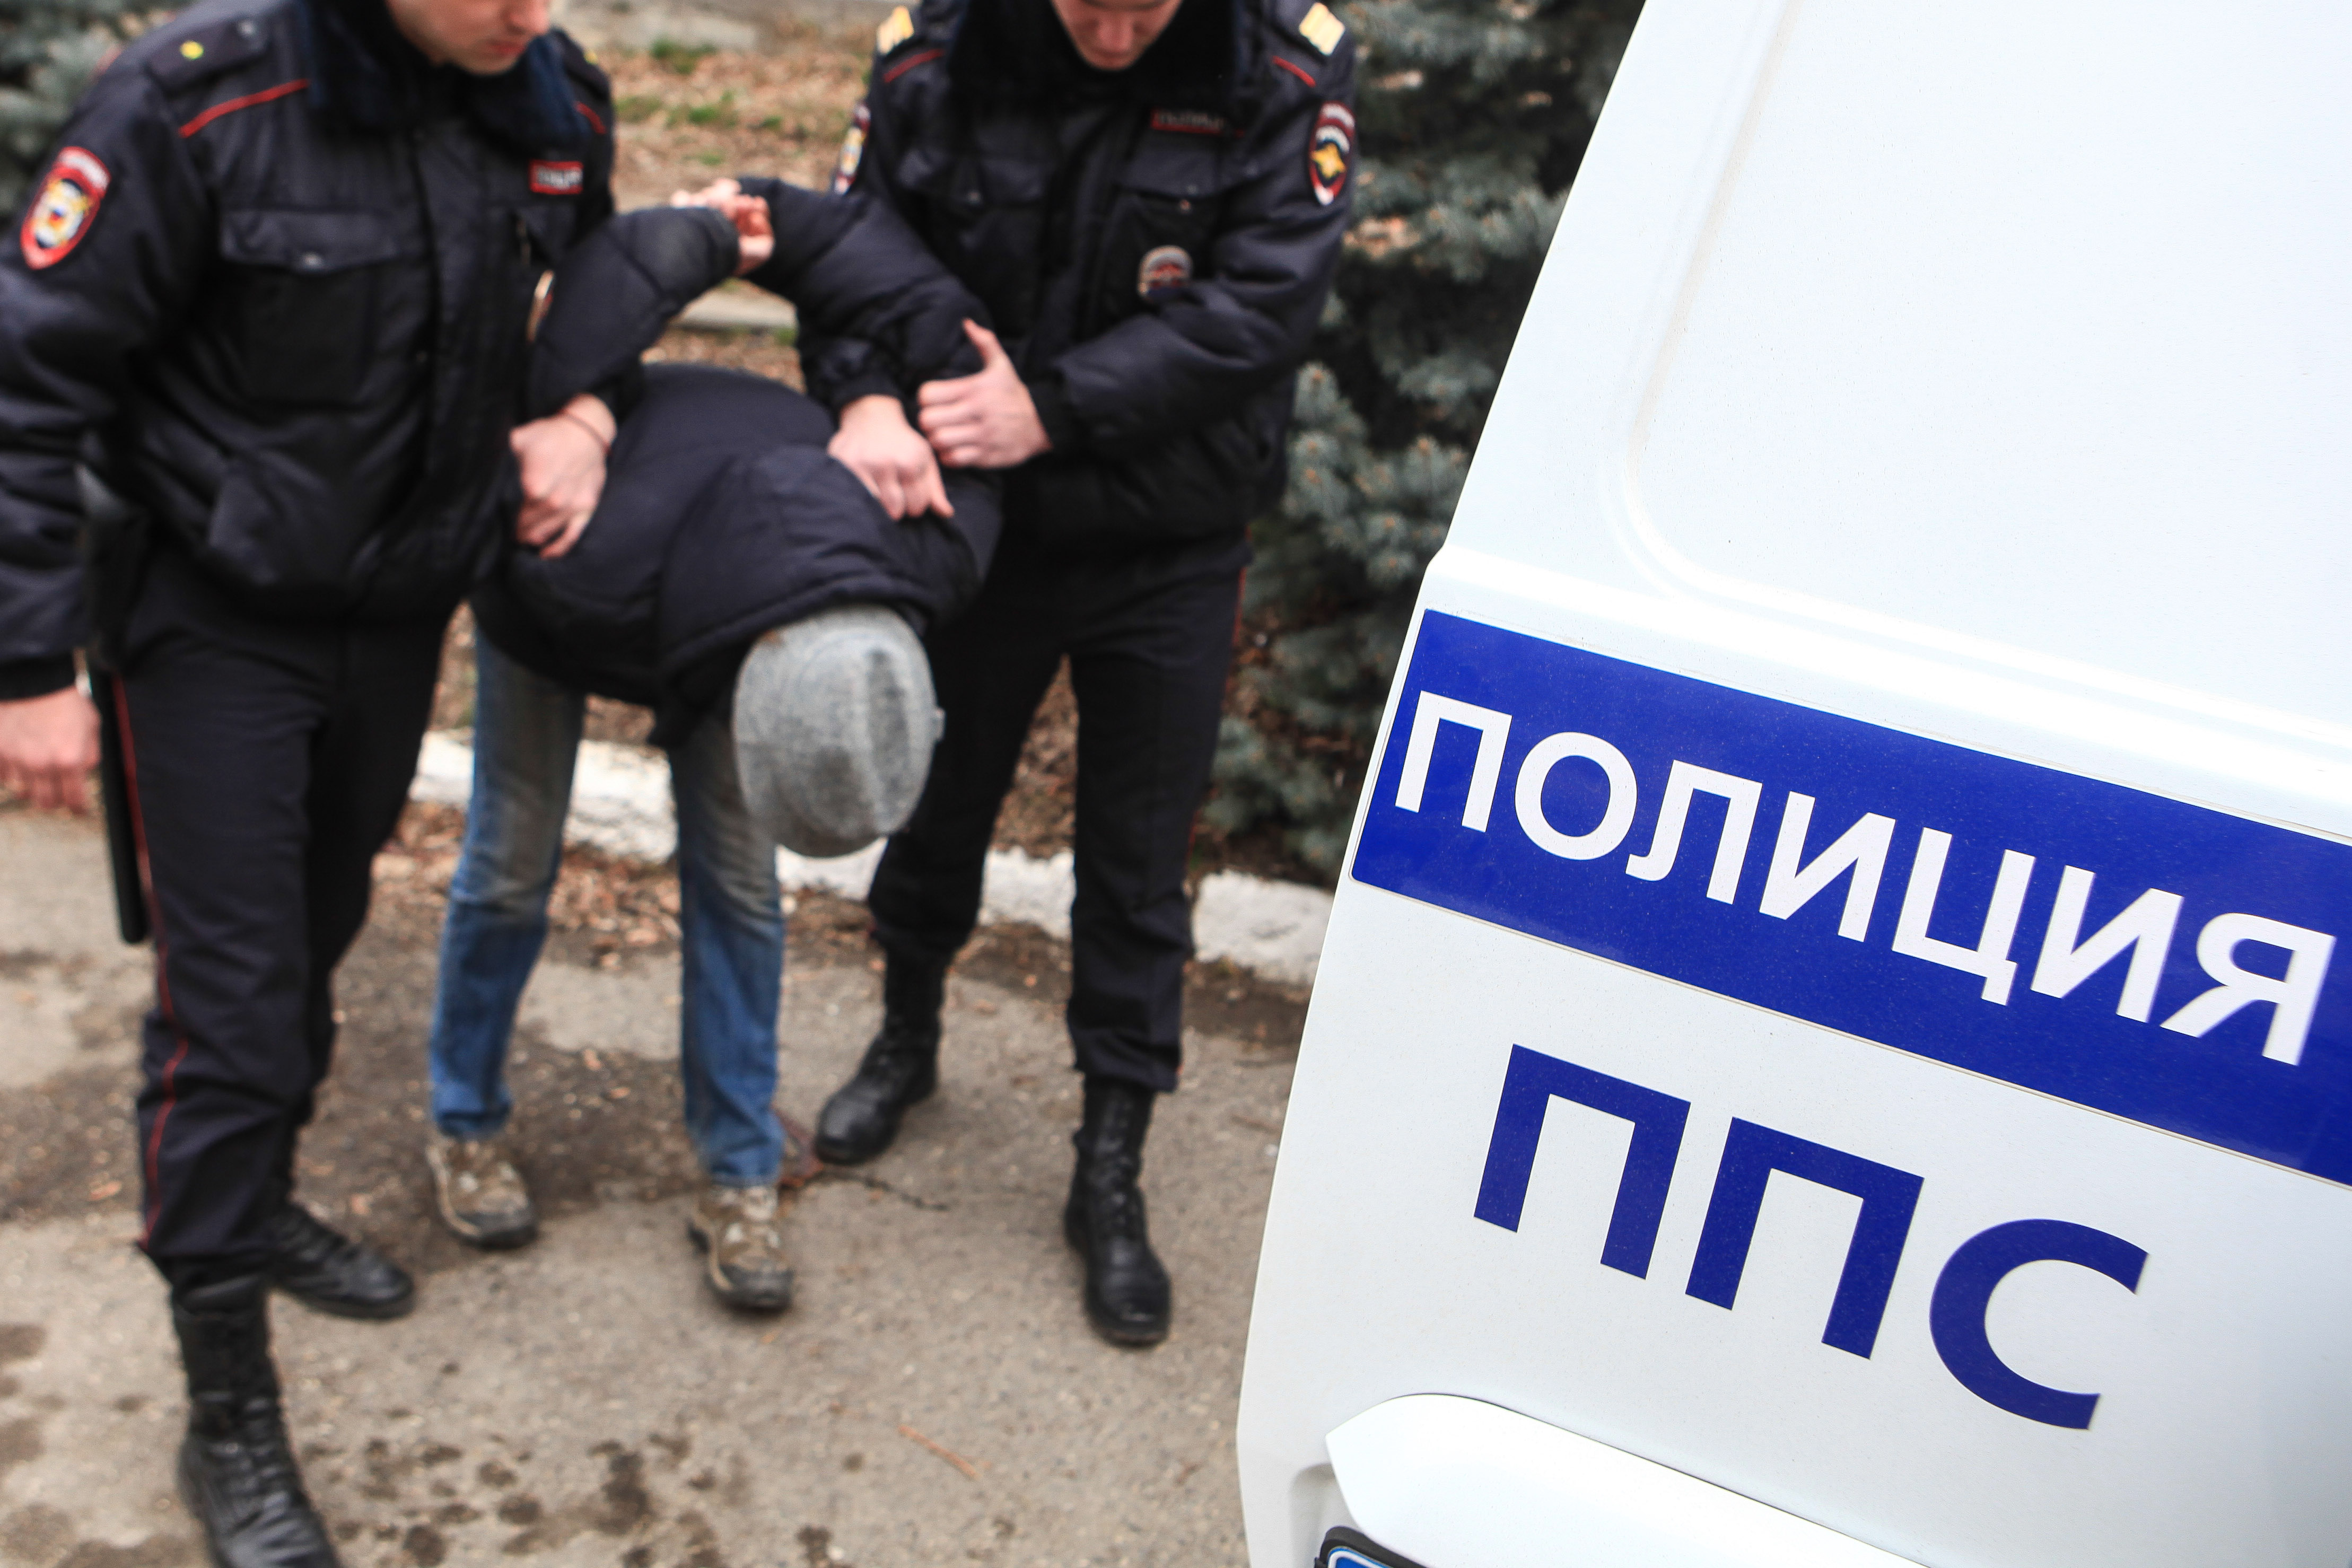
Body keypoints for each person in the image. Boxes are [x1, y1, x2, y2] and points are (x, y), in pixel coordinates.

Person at [0, 0, 622, 1557]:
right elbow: (27, 376)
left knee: (314, 937)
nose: (527, 9)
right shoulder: (198, 105)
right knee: (234, 1012)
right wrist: (24, 666)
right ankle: (227, 1408)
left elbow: (589, 290)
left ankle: (257, 1194)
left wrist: (585, 412)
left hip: (395, 616)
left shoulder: (544, 95)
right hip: (210, 617)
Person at [777, 0, 1359, 1347]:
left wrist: (1052, 406)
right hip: (981, 528)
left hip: (1169, 537)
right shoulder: (939, 49)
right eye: (1085, 0)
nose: (1112, 27)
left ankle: (1109, 1162)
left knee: (1136, 863)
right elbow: (854, 252)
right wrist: (864, 397)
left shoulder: (1280, 62)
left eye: (1143, 3)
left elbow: (1262, 303)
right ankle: (906, 1038)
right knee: (938, 803)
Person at [419, 197, 1002, 1312]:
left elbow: (958, 393)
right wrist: (596, 394)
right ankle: (464, 1119)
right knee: (511, 855)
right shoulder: (584, 572)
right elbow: (584, 316)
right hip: (562, 569)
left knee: (736, 881)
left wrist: (879, 403)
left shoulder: (933, 555)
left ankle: (737, 1168)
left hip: (763, 573)